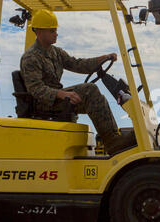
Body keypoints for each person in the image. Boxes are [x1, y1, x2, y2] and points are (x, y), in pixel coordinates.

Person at [20, 9, 135, 155]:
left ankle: (114, 138)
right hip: (44, 103)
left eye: (55, 30)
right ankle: (112, 142)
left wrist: (101, 59)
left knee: (93, 94)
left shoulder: (56, 52)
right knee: (90, 90)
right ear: (39, 31)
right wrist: (61, 94)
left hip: (58, 99)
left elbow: (77, 64)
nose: (56, 33)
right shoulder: (31, 58)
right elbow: (35, 89)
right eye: (52, 31)